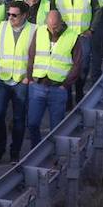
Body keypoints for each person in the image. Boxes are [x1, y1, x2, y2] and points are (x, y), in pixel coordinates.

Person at [27, 9, 84, 147]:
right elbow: (31, 55)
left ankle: (54, 153)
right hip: (38, 85)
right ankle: (36, 149)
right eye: (50, 26)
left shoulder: (72, 36)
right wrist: (29, 78)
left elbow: (78, 64)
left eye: (56, 26)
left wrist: (66, 85)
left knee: (57, 127)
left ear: (61, 22)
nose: (53, 29)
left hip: (58, 89)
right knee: (32, 123)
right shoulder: (40, 31)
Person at [0, 1, 35, 163]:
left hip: (21, 81)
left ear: (24, 15)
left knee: (19, 118)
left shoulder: (34, 30)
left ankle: (15, 151)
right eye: (9, 14)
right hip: (2, 79)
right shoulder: (1, 27)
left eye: (14, 15)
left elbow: (36, 55)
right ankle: (0, 148)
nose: (10, 17)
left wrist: (29, 77)